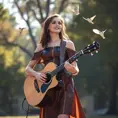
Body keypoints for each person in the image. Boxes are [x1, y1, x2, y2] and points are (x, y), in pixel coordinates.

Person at [25, 14, 86, 118]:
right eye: (54, 22)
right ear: (48, 26)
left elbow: (76, 69)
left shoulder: (68, 44)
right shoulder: (41, 46)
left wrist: (71, 68)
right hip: (47, 90)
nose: (57, 25)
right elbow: (28, 69)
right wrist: (37, 75)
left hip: (65, 86)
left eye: (60, 23)